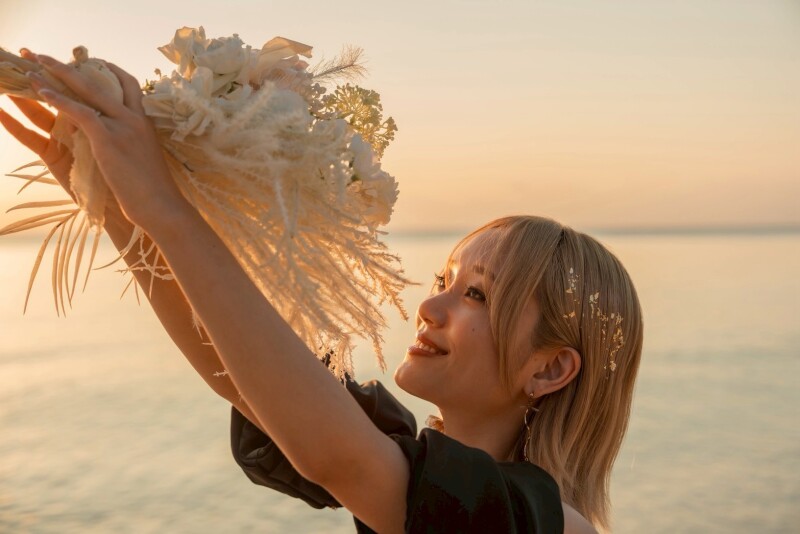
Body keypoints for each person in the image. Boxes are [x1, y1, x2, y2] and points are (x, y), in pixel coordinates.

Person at [0, 50, 643, 533]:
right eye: (444, 281)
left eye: (477, 295)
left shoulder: (545, 523)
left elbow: (338, 458)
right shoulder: (411, 460)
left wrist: (165, 209)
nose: (429, 305)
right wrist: (111, 201)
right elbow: (242, 378)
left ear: (551, 366)